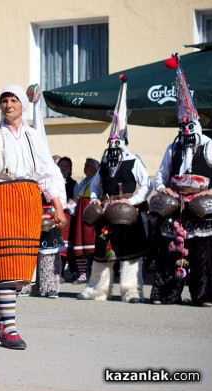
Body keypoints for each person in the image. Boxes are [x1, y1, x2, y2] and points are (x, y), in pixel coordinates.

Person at [0, 84, 66, 349]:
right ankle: (8, 327)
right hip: (0, 200)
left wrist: (57, 205)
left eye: (13, 100)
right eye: (4, 101)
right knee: (7, 266)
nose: (8, 105)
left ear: (22, 104)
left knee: (22, 270)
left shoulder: (35, 137)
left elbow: (46, 174)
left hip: (29, 202)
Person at [150, 53, 212, 307]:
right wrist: (162, 189)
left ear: (197, 122)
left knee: (203, 253)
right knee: (171, 251)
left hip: (202, 207)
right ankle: (165, 293)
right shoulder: (174, 147)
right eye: (182, 125)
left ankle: (204, 296)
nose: (186, 129)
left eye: (189, 124)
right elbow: (160, 176)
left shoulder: (211, 147)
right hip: (177, 205)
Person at [77, 75, 152, 303]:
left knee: (130, 254)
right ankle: (98, 289)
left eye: (115, 143)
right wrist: (97, 200)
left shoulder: (133, 159)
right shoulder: (104, 160)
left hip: (128, 212)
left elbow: (146, 183)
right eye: (110, 143)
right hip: (107, 213)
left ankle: (131, 291)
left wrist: (134, 201)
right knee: (103, 252)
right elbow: (97, 184)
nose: (112, 146)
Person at [69, 157, 100, 283]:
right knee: (79, 244)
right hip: (81, 214)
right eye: (85, 165)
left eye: (88, 165)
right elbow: (77, 198)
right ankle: (82, 273)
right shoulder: (83, 182)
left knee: (91, 243)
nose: (85, 168)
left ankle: (92, 272)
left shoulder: (96, 181)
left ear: (94, 168)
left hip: (91, 213)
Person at [57, 156, 78, 282]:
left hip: (67, 216)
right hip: (55, 215)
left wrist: (70, 203)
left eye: (66, 166)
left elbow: (75, 200)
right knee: (55, 245)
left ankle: (62, 272)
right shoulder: (53, 181)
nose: (63, 168)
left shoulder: (74, 184)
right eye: (61, 166)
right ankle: (57, 272)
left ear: (70, 169)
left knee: (65, 246)